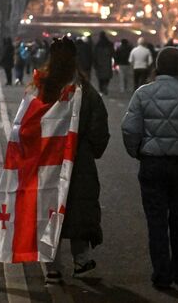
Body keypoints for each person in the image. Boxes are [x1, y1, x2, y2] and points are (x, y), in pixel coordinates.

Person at [121, 47, 178, 289]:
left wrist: (137, 151)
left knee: (156, 219)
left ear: (157, 66)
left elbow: (130, 128)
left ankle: (161, 272)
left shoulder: (143, 93)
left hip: (152, 162)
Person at [32, 37, 110, 284]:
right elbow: (99, 127)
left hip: (47, 159)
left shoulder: (40, 87)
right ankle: (81, 259)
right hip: (79, 159)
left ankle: (52, 265)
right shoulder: (84, 89)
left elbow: (26, 125)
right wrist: (90, 149)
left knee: (49, 207)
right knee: (79, 207)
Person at [93, 31, 114, 95]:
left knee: (100, 78)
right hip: (107, 63)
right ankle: (105, 86)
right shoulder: (110, 44)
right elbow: (113, 53)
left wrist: (95, 64)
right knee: (107, 77)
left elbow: (94, 55)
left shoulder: (97, 45)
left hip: (100, 64)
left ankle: (101, 89)